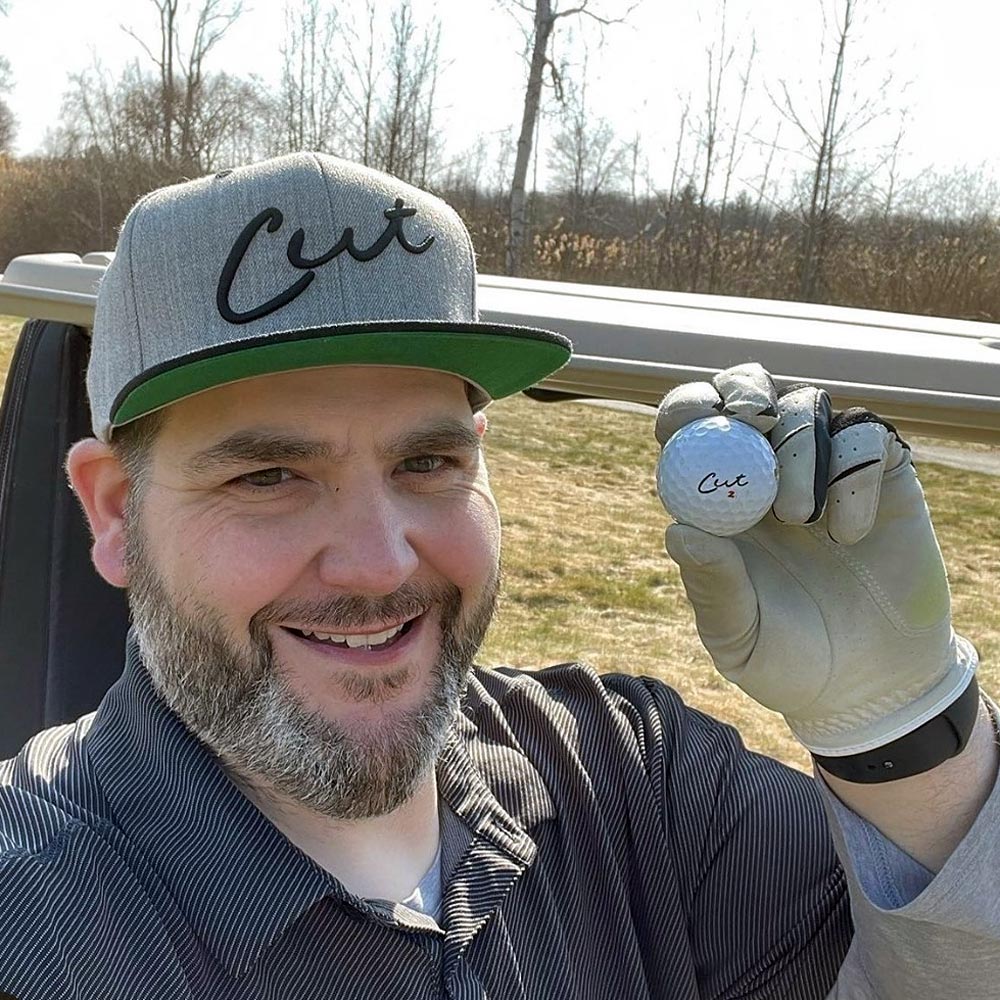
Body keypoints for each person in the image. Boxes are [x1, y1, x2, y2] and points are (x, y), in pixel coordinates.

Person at [0, 151, 997, 1000]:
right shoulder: (35, 918)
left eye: (425, 463)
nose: (380, 560)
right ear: (116, 510)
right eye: (269, 475)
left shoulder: (629, 778)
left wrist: (901, 725)